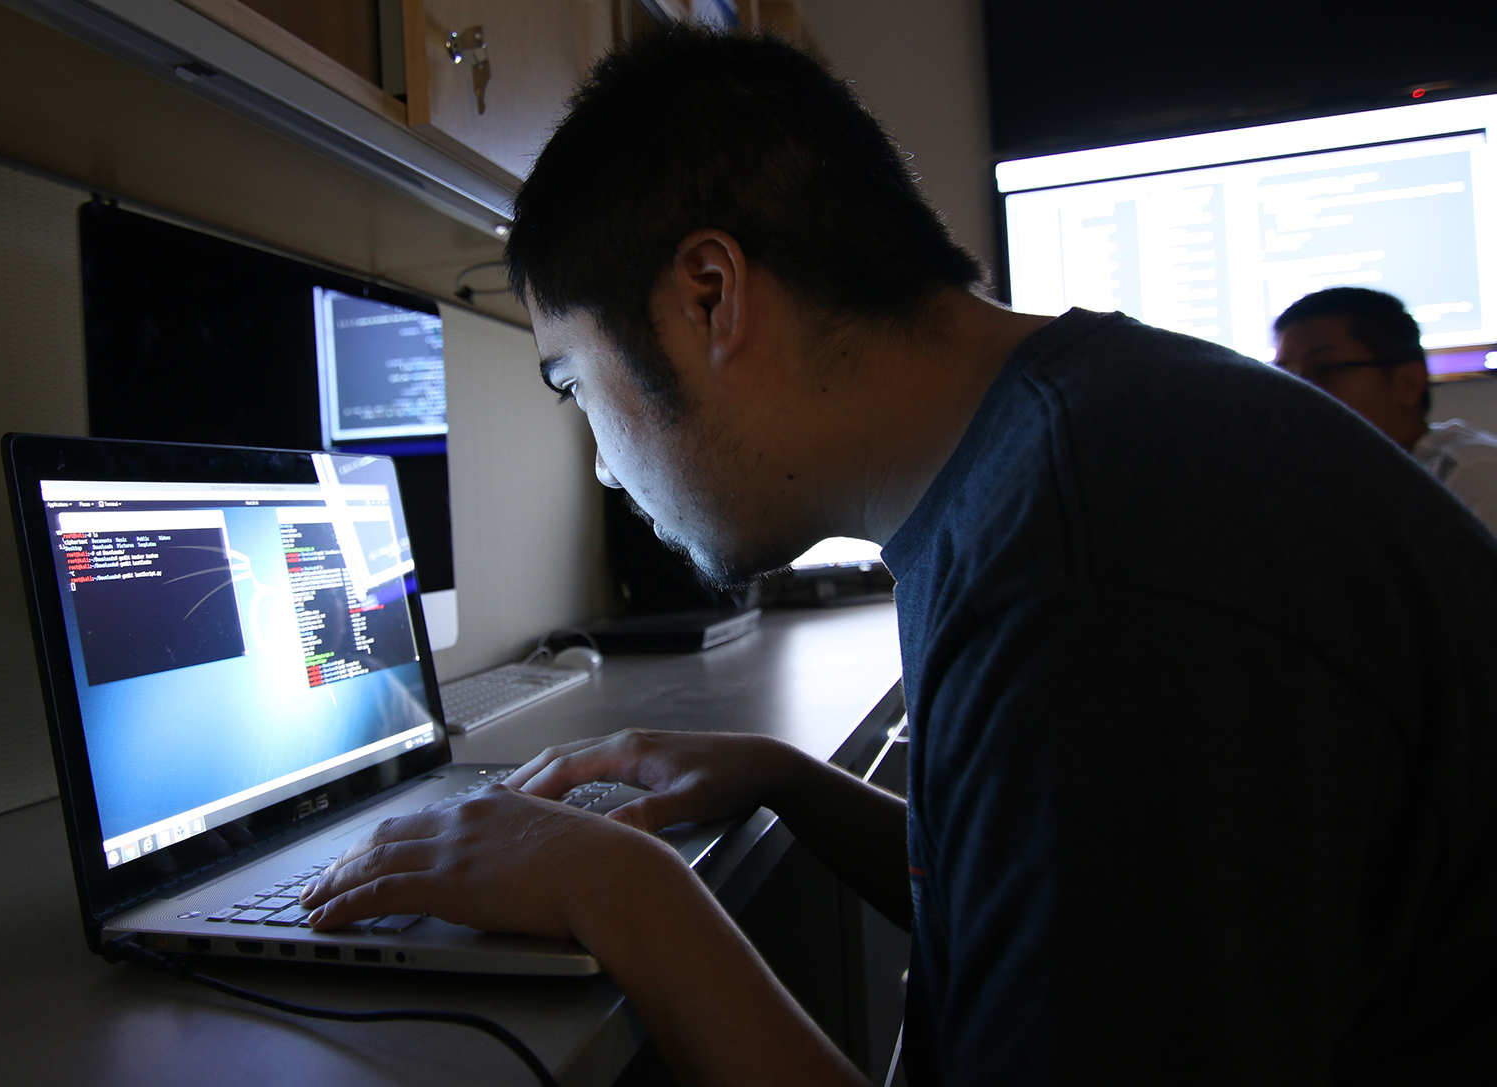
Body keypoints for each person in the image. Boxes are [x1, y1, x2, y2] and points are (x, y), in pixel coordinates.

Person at [299, 29, 1497, 1085]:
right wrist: (789, 780)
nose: (605, 467)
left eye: (574, 384)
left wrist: (620, 893)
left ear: (709, 294)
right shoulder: (1056, 446)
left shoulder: (1089, 581)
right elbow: (1052, 901)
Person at [1274, 286, 1497, 533]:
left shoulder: (1474, 472)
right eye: (1284, 376)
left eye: (1327, 369)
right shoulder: (1320, 482)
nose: (1298, 392)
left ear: (1408, 382)